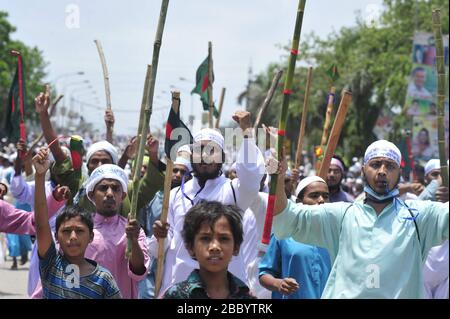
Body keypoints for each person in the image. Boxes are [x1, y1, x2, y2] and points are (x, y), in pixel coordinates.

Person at [271, 140, 448, 298]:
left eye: (390, 166)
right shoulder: (341, 215)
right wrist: (278, 179)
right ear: (363, 169)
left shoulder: (420, 216)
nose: (382, 172)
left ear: (399, 172)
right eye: (376, 164)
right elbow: (287, 218)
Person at [151, 110, 265, 297]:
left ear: (222, 158)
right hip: (180, 288)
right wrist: (159, 236)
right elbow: (162, 247)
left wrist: (246, 132)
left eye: (212, 150)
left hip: (226, 290)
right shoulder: (175, 195)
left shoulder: (234, 192)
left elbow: (252, 177)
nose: (204, 156)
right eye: (199, 150)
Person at [32, 147, 121, 299]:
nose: (73, 237)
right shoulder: (51, 264)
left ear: (91, 236)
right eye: (66, 231)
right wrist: (39, 176)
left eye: (79, 231)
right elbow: (41, 224)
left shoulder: (104, 279)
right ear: (56, 237)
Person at [163, 201, 255, 299]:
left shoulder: (246, 296)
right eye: (205, 238)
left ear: (236, 247)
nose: (214, 247)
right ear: (190, 247)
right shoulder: (177, 295)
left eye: (224, 238)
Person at [258, 176, 332, 299]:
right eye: (314, 196)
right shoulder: (283, 233)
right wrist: (279, 283)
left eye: (325, 196)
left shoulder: (334, 233)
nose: (321, 200)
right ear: (299, 202)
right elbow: (264, 274)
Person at [138, 152, 193, 299]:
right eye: (174, 170)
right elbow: (142, 227)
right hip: (152, 260)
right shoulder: (153, 197)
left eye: (183, 172)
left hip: (176, 261)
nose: (177, 175)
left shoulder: (191, 201)